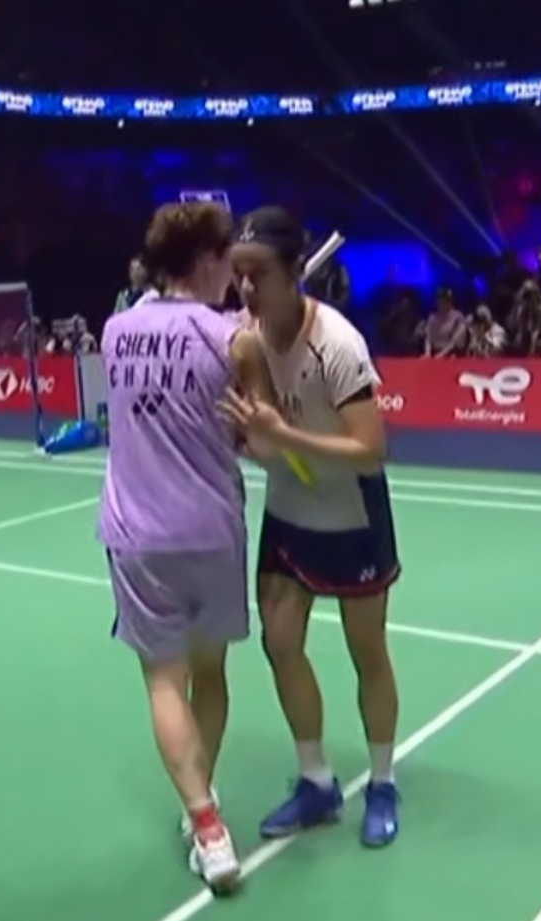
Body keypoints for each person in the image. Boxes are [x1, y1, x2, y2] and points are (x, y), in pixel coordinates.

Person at [97, 200, 271, 894]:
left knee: (162, 683)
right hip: (210, 531)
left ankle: (206, 824)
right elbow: (253, 440)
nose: (235, 273)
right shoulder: (232, 340)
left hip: (137, 535)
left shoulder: (114, 330)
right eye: (228, 259)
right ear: (205, 260)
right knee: (209, 676)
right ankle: (203, 809)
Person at [220, 206, 402, 848]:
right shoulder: (247, 339)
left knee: (366, 652)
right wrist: (254, 440)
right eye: (239, 275)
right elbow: (262, 440)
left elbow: (370, 451)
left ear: (295, 270)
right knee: (279, 642)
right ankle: (316, 781)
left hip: (350, 511)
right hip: (289, 509)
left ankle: (382, 783)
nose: (247, 288)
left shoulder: (338, 345)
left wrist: (283, 435)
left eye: (260, 275)